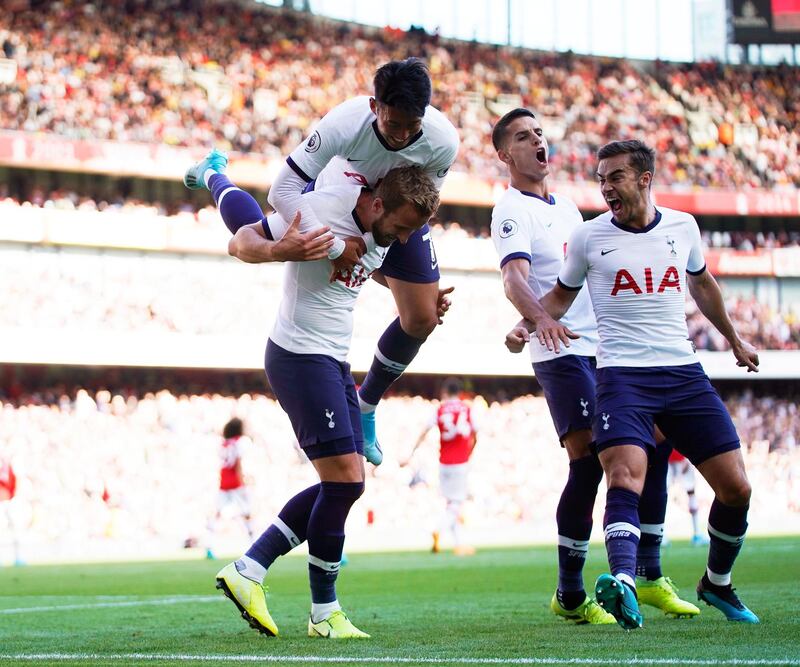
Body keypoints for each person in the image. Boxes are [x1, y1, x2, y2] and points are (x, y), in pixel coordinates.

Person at [200, 158, 440, 639]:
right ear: (374, 203)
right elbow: (241, 239)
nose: (407, 240)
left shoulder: (384, 233)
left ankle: (253, 571)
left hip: (331, 360)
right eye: (403, 227)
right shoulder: (318, 212)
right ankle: (318, 609)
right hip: (299, 357)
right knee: (346, 483)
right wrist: (278, 248)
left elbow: (369, 261)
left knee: (348, 485)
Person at [530, 139, 760, 628]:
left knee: (737, 489)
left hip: (683, 375)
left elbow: (701, 283)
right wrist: (527, 323)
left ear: (644, 178)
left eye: (614, 176)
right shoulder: (589, 238)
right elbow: (560, 296)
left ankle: (716, 583)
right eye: (601, 178)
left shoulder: (683, 226)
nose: (606, 187)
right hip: (622, 379)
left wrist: (735, 340)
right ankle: (626, 583)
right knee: (623, 476)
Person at [493, 110, 697, 624]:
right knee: (587, 460)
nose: (538, 140)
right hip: (560, 350)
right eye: (523, 136)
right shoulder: (510, 210)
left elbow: (582, 273)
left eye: (540, 131)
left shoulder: (567, 208)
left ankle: (648, 577)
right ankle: (569, 594)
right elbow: (516, 278)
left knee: (653, 441)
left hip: (605, 347)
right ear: (505, 156)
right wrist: (538, 323)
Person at [255, 57, 459, 466]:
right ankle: (217, 181)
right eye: (393, 124)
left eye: (412, 126)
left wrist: (368, 255)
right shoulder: (343, 124)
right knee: (262, 233)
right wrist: (336, 247)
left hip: (395, 207)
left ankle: (367, 404)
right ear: (373, 107)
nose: (402, 137)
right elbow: (282, 189)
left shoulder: (442, 141)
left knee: (423, 316)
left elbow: (420, 208)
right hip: (342, 192)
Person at [405, 378, 477, 556]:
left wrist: (412, 452)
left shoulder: (439, 410)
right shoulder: (467, 409)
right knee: (456, 504)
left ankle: (459, 544)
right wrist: (469, 452)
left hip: (444, 462)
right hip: (460, 462)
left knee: (452, 504)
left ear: (445, 392)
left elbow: (424, 431)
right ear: (459, 392)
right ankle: (437, 529)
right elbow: (476, 433)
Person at [204, 418, 256, 560]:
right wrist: (243, 482)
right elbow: (238, 463)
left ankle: (209, 546)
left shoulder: (224, 443)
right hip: (236, 483)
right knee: (247, 513)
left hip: (224, 482)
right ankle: (254, 546)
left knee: (216, 514)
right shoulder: (240, 442)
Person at [667, 449, 709, 546]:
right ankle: (697, 534)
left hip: (667, 454)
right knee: (691, 493)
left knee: (663, 494)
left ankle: (661, 535)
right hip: (681, 454)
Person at [0, 452, 22, 566]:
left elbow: (13, 484)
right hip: (2, 503)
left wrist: (11, 497)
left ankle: (18, 558)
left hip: (9, 503)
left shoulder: (9, 470)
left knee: (15, 531)